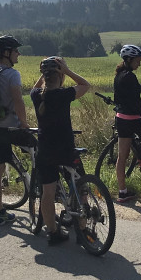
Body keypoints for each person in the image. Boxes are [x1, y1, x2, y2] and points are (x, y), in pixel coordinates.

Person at [31, 56, 92, 245]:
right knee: (80, 188)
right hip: (65, 150)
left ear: (44, 75)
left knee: (47, 194)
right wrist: (67, 70)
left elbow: (35, 88)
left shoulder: (37, 96)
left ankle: (53, 233)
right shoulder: (63, 94)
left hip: (45, 152)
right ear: (61, 76)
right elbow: (85, 84)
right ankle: (82, 231)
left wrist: (44, 75)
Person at [0, 35, 30, 225]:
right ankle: (42, 191)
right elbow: (18, 101)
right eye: (15, 50)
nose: (19, 53)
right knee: (40, 151)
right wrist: (24, 122)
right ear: (6, 53)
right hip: (11, 128)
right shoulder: (12, 74)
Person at [112, 44, 141, 202]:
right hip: (133, 119)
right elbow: (136, 102)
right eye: (138, 60)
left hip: (121, 118)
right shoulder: (130, 77)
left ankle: (122, 191)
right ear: (129, 59)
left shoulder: (118, 75)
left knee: (122, 157)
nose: (139, 63)